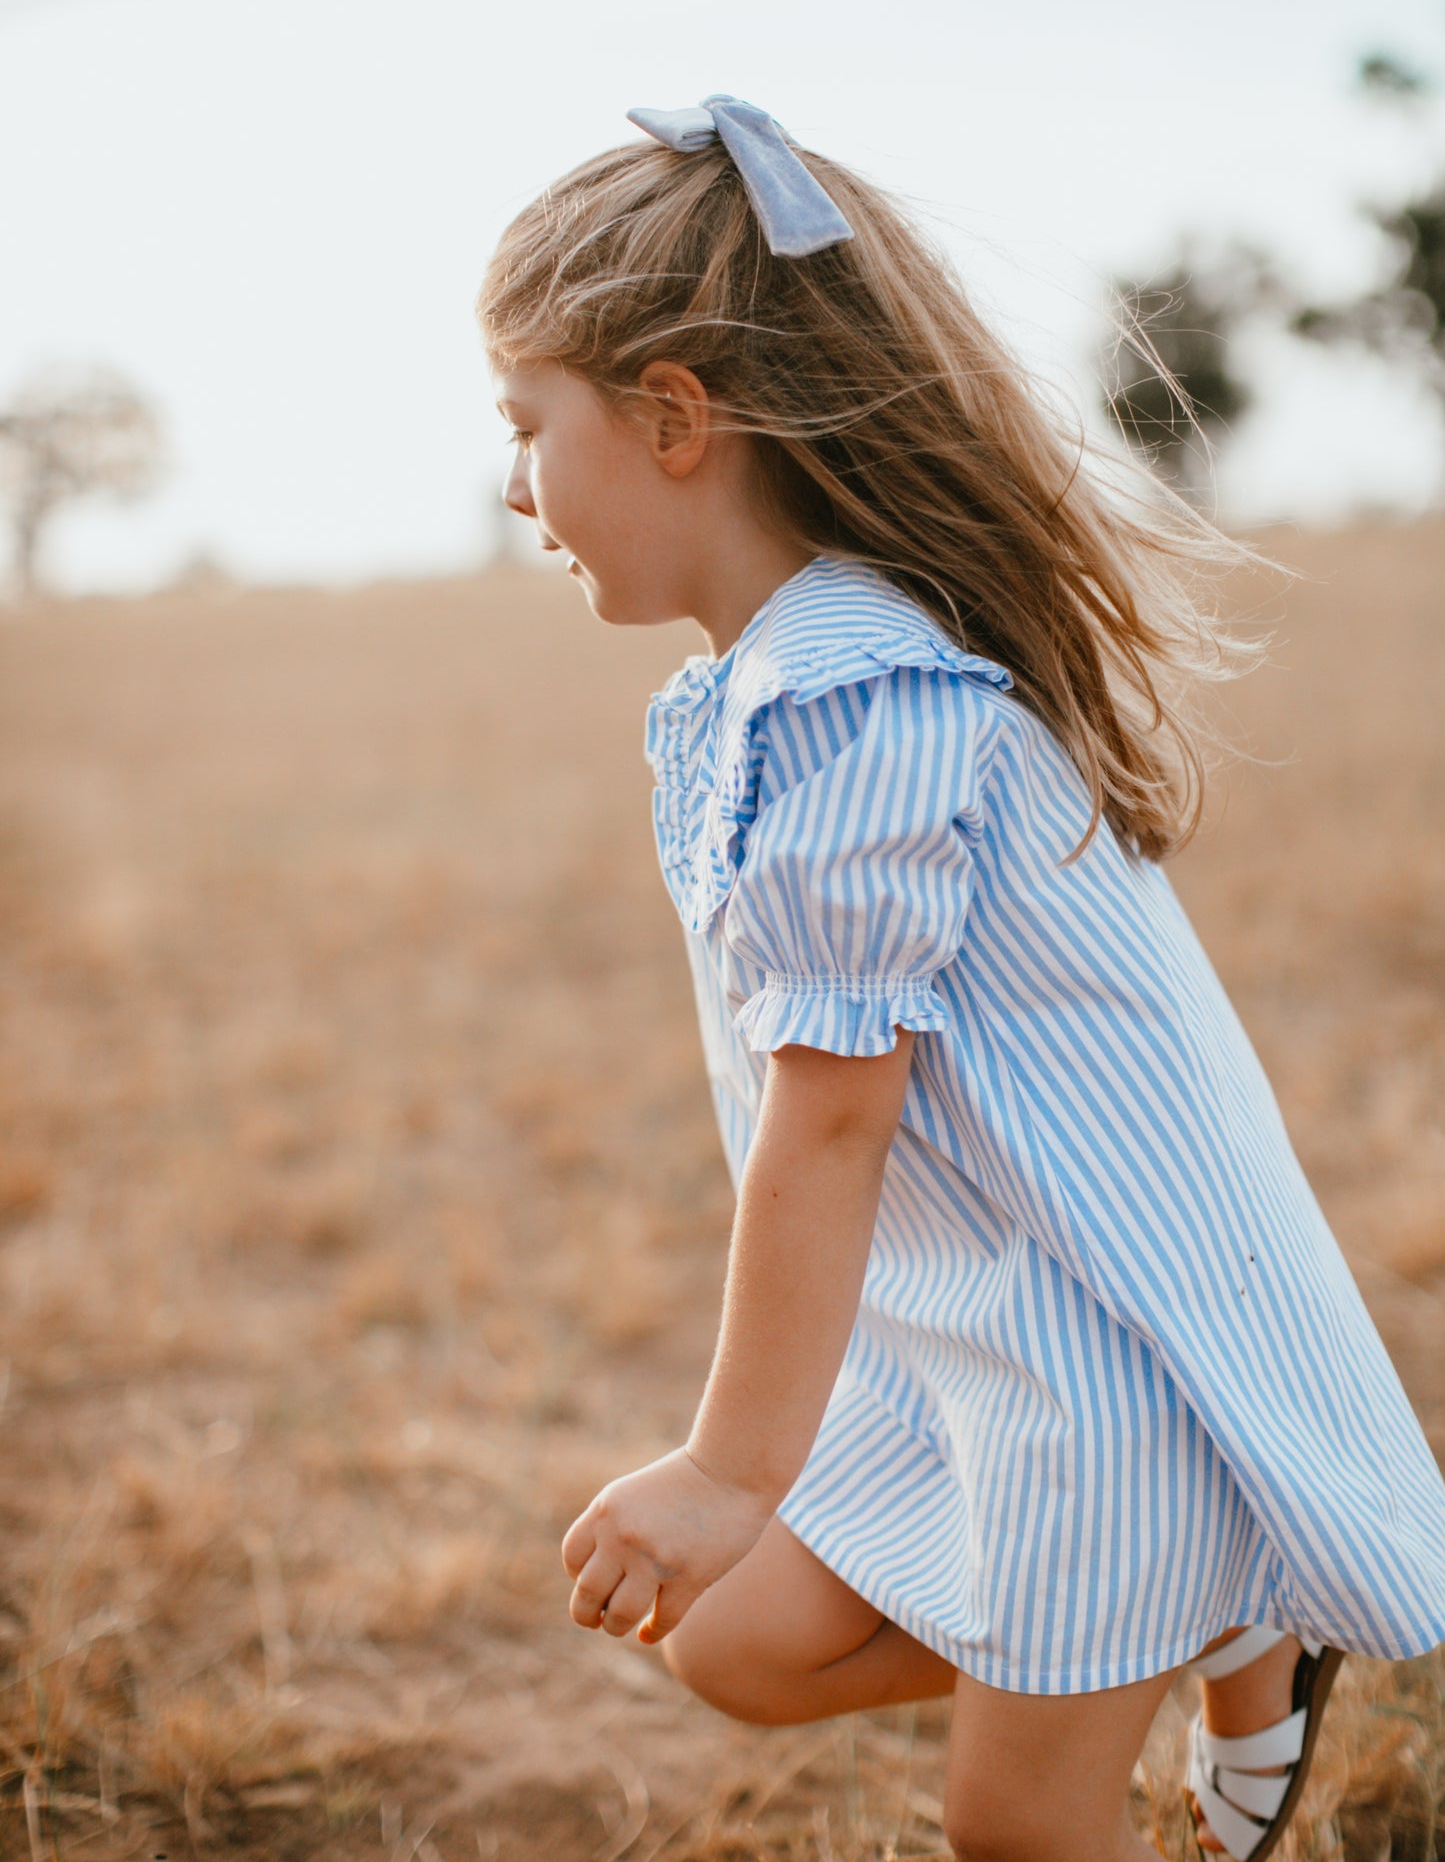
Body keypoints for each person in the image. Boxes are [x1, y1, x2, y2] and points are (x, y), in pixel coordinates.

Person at [477, 97, 1445, 1862]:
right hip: (956, 1328)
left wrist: (725, 1472)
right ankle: (1215, 1623)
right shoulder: (777, 686)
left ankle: (1166, 1592)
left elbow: (830, 1128)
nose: (510, 481)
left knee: (1015, 1838)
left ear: (675, 417)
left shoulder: (863, 706)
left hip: (1093, 1367)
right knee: (732, 1647)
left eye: (524, 423)